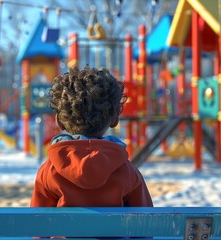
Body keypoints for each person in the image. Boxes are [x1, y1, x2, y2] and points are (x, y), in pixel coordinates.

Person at [30, 66, 153, 207]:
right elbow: (146, 221)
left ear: (60, 122)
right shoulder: (128, 172)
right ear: (114, 120)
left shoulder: (49, 171)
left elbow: (37, 223)